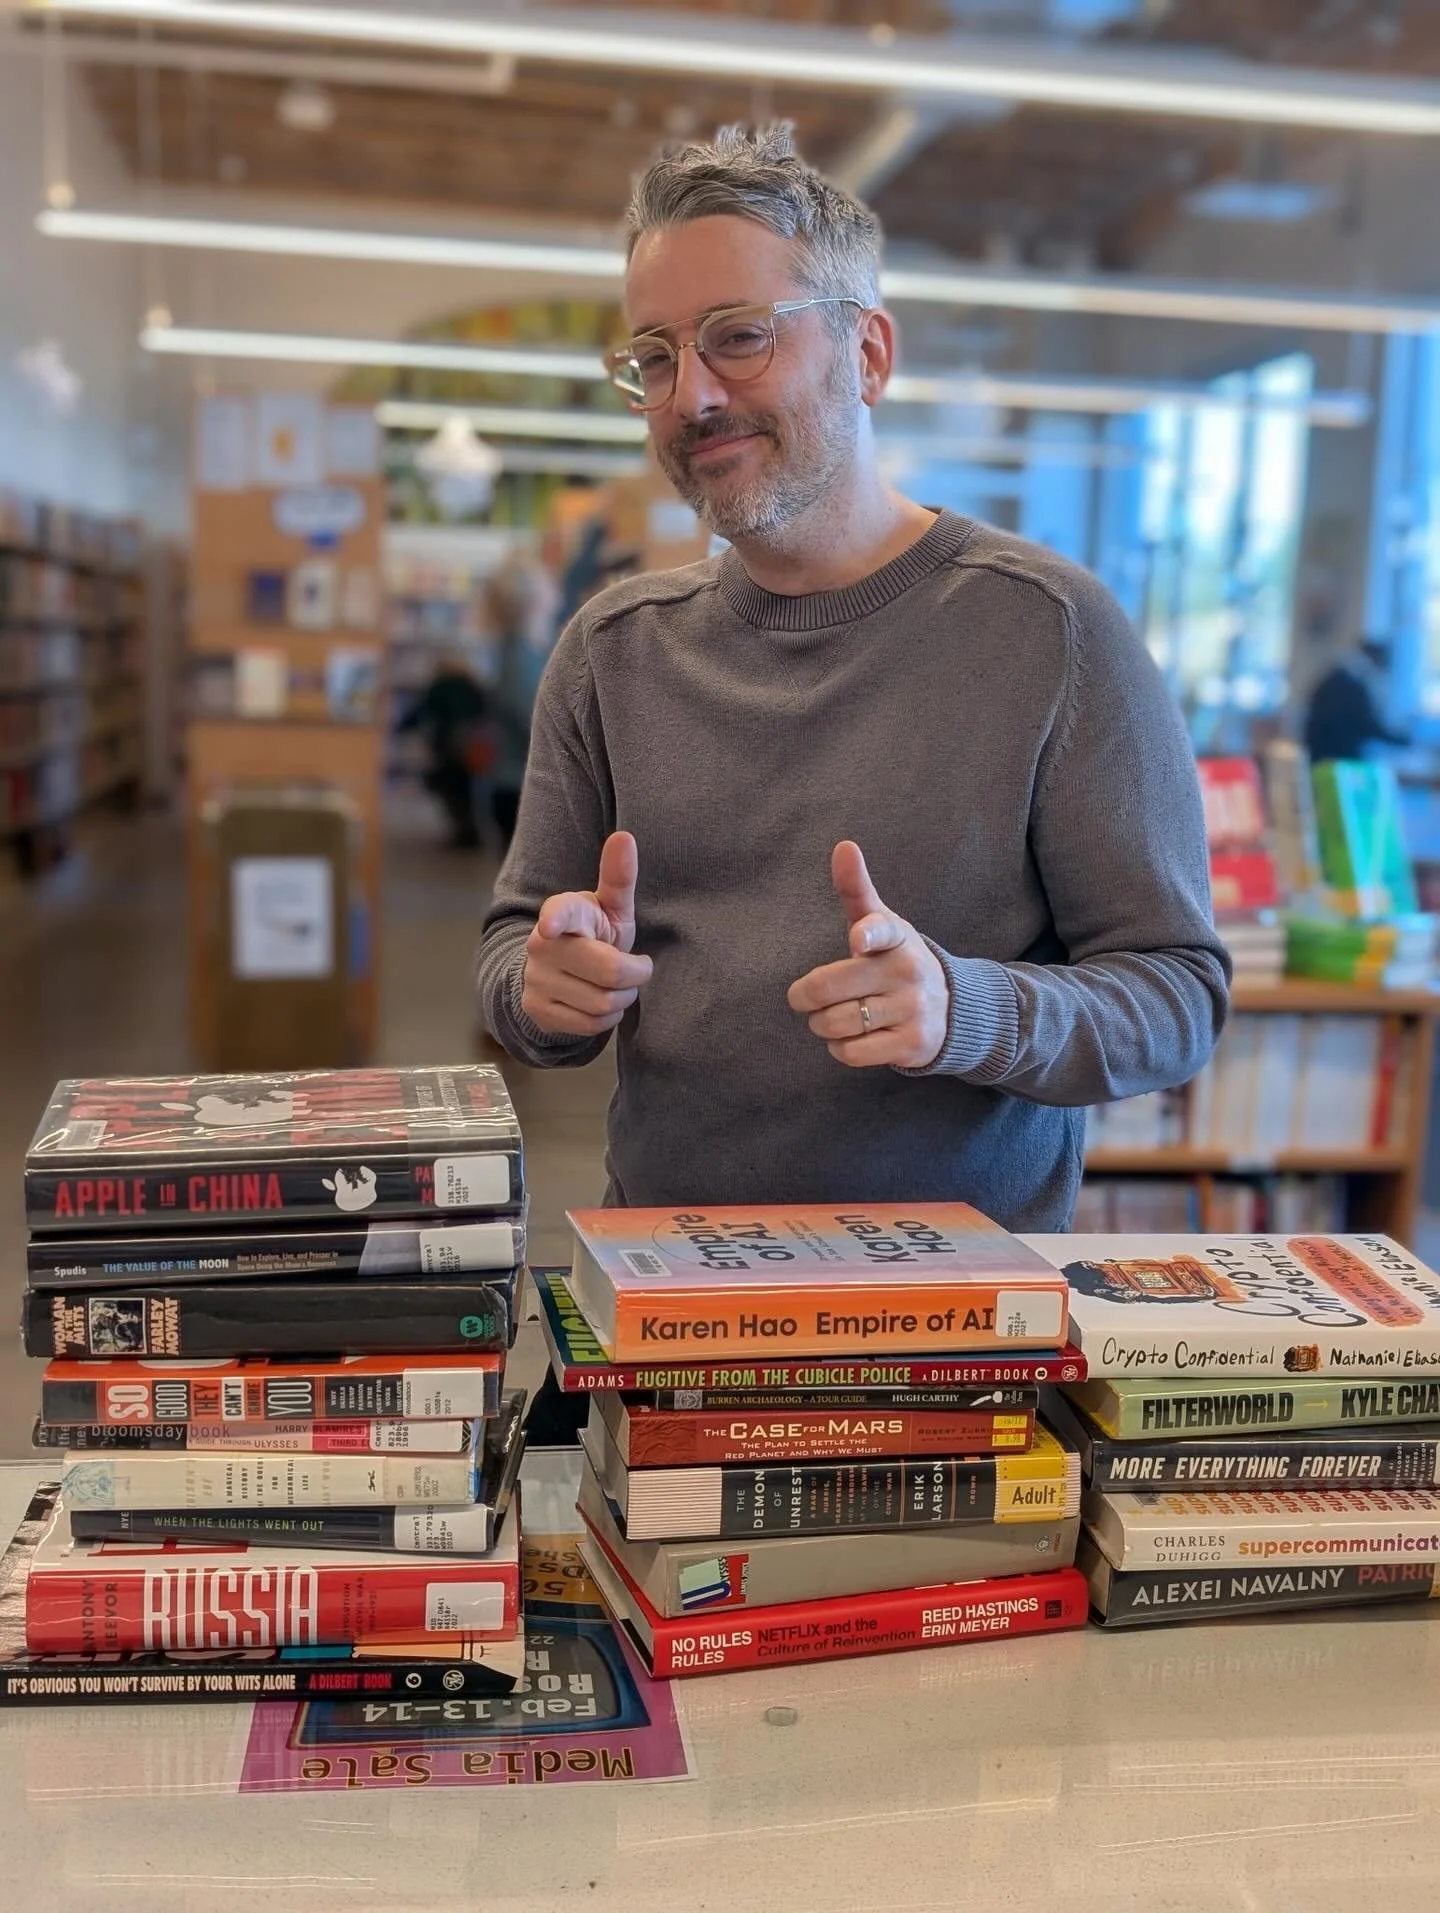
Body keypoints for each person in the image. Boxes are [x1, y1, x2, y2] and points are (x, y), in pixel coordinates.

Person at [478, 121, 1228, 1233]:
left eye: (738, 337)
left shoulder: (1051, 632)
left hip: (957, 1325)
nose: (691, 397)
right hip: (673, 1296)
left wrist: (965, 1010)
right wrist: (542, 992)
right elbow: (512, 950)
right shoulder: (613, 650)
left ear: (868, 355)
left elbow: (1176, 993)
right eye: (655, 358)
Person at [396, 654, 492, 850]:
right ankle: (470, 832)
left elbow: (423, 711)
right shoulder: (473, 686)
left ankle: (462, 831)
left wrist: (401, 728)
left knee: (448, 788)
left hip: (448, 745)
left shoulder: (440, 686)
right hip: (473, 746)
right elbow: (485, 711)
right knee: (466, 790)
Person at [1302, 637, 1408, 765]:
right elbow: (1368, 725)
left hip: (1322, 754)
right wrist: (1401, 740)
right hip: (1336, 759)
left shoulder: (1335, 677)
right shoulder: (1351, 685)